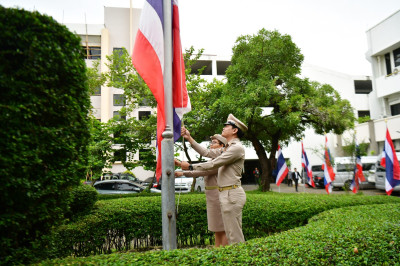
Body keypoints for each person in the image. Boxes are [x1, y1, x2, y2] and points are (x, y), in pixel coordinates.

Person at [179, 114, 247, 245]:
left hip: (231, 194)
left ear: (235, 130)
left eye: (227, 126)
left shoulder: (236, 148)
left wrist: (191, 166)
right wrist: (189, 138)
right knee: (230, 233)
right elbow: (207, 153)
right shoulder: (228, 148)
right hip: (226, 193)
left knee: (234, 237)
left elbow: (213, 164)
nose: (223, 128)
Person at [175, 134, 228, 247]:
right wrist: (181, 168)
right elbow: (204, 167)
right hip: (212, 195)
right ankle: (218, 250)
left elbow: (205, 170)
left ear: (222, 146)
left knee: (222, 228)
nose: (211, 145)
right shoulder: (215, 159)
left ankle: (224, 252)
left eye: (214, 142)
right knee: (216, 228)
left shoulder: (220, 159)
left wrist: (183, 170)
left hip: (217, 195)